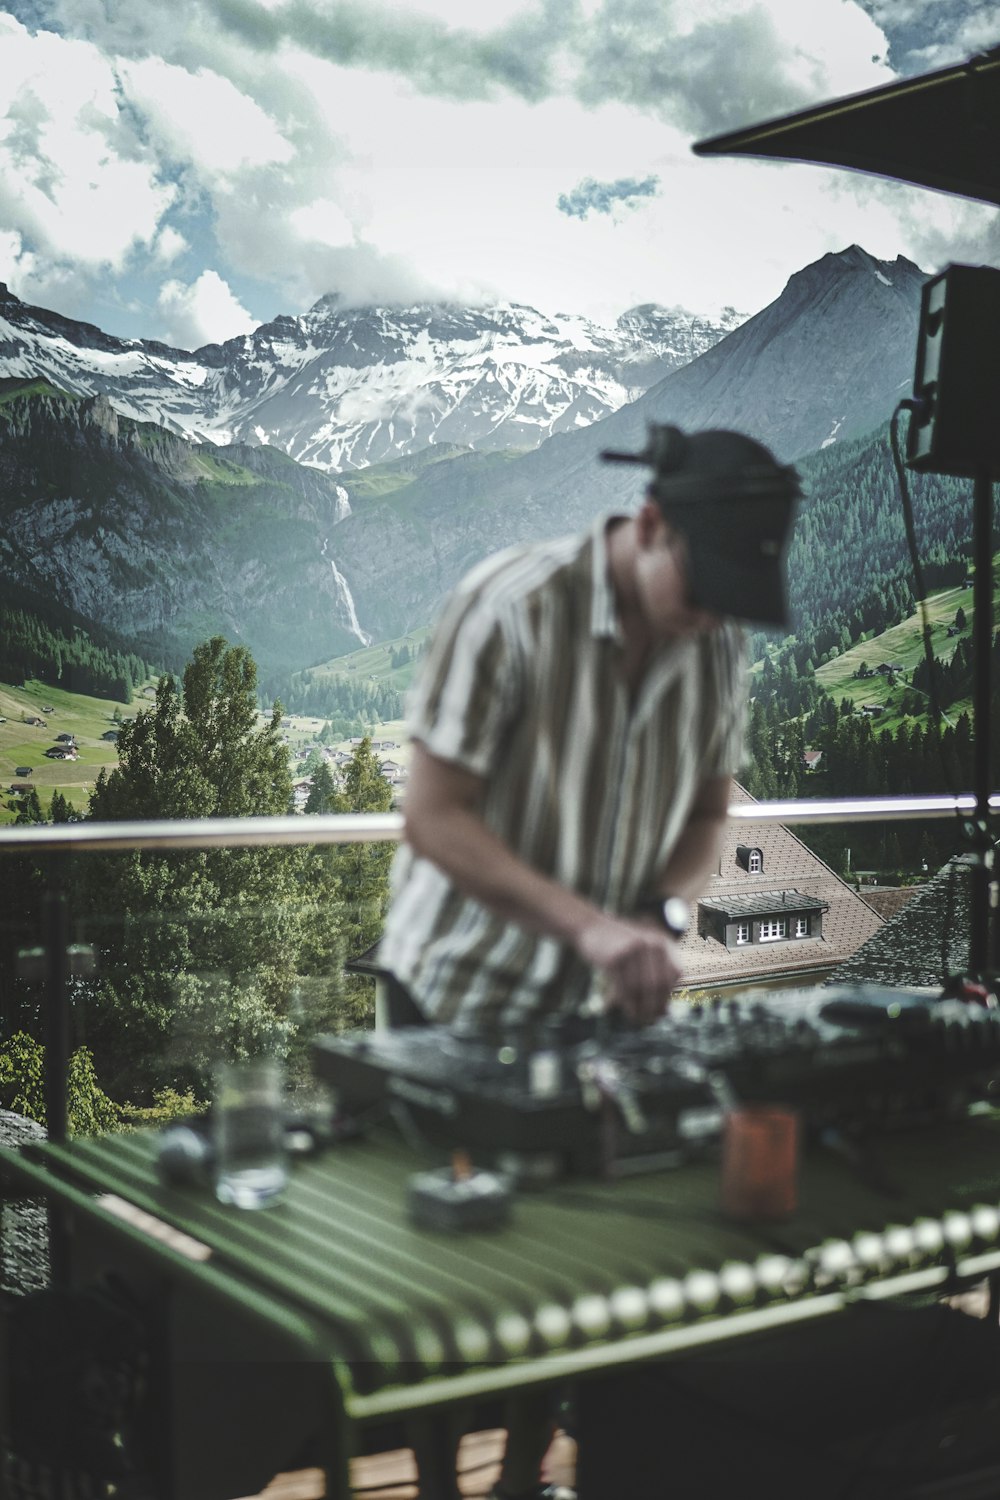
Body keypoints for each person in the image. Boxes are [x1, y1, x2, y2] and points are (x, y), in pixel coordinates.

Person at [379, 422, 801, 1500]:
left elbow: (713, 805)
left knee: (562, 1266)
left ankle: (524, 1480)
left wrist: (660, 911)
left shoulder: (714, 636)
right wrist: (589, 927)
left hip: (590, 1015)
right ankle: (435, 1487)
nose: (705, 621)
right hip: (451, 997)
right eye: (695, 591)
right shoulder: (512, 606)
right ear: (646, 524)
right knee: (444, 1276)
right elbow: (433, 816)